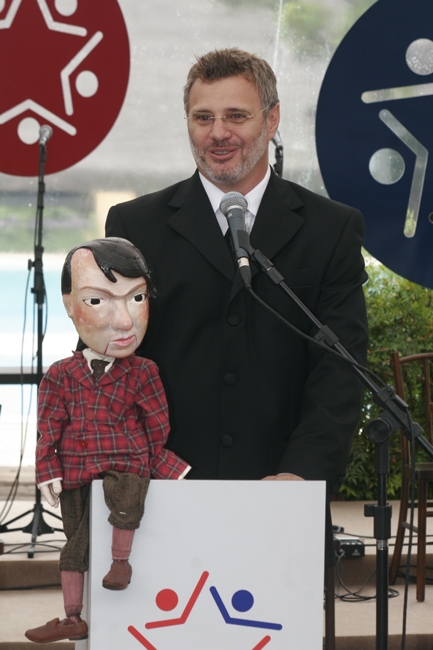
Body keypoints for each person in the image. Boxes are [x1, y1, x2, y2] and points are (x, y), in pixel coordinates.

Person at [105, 48, 368, 566]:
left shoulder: (331, 229)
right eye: (203, 117)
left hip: (283, 499)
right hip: (157, 501)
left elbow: (340, 369)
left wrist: (302, 473)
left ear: (272, 119)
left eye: (236, 116)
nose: (218, 133)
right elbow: (109, 363)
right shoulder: (135, 226)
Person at [25, 238, 190, 644]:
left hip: (125, 464)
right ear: (69, 305)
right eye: (97, 301)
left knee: (128, 494)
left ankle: (121, 563)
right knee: (74, 545)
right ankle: (72, 616)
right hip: (76, 471)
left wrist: (148, 458)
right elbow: (49, 427)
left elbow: (158, 425)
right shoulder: (61, 374)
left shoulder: (142, 372)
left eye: (137, 298)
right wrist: (47, 469)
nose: (124, 321)